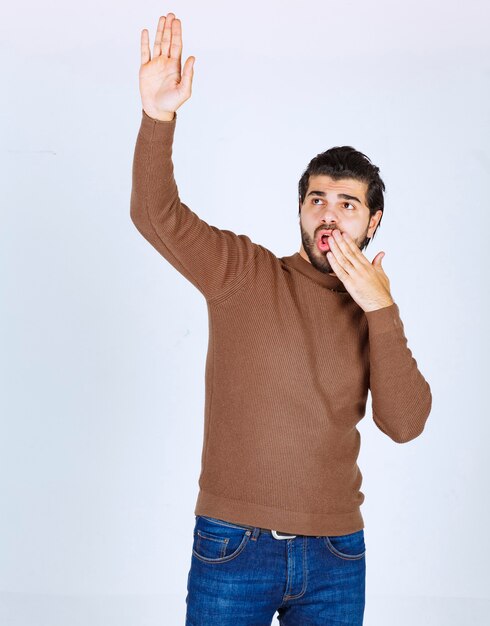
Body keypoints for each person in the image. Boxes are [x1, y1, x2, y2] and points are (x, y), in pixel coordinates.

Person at [130, 12, 432, 626]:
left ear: (372, 223)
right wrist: (158, 117)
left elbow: (404, 424)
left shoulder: (376, 311)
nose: (329, 214)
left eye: (347, 205)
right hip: (233, 546)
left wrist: (382, 307)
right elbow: (154, 214)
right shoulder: (241, 270)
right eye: (316, 198)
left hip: (336, 554)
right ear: (299, 207)